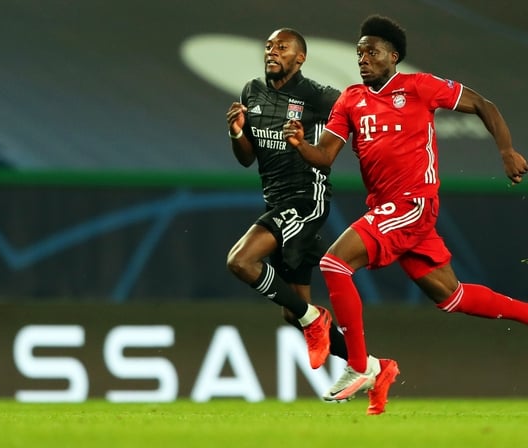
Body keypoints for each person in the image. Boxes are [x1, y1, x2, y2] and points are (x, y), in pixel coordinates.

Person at [283, 14, 528, 414]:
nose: (363, 59)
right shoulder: (350, 100)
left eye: (372, 52)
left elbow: (484, 104)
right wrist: (298, 144)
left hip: (414, 203)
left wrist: (505, 150)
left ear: (393, 56)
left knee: (334, 263)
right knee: (451, 296)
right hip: (387, 208)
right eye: (359, 52)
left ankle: (360, 366)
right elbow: (324, 155)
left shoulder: (419, 87)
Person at [225, 28, 349, 375]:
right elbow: (246, 158)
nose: (272, 52)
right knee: (290, 310)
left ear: (300, 58)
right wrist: (237, 132)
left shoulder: (319, 97)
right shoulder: (253, 92)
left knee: (240, 261)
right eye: (268, 46)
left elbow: (349, 121)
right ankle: (368, 364)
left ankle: (315, 319)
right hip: (276, 202)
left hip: (307, 200)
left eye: (282, 47)